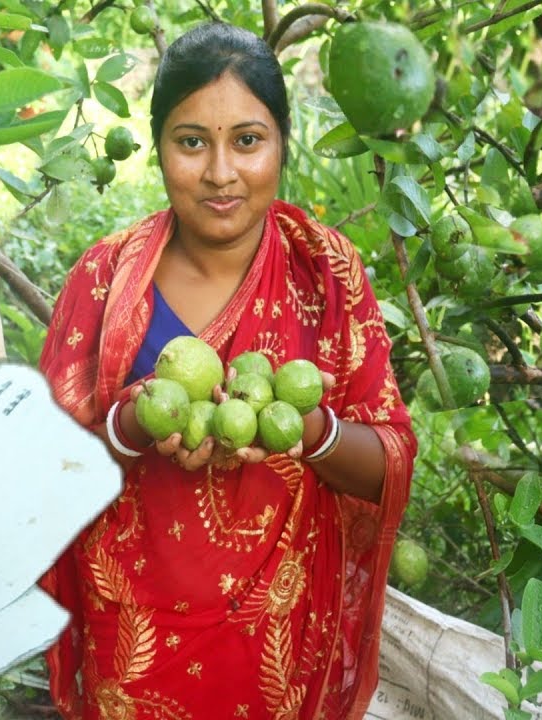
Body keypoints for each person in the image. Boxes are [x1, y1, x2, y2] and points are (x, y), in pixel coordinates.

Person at [39, 21, 416, 720]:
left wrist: (311, 432)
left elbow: (389, 461)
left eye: (247, 140)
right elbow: (47, 477)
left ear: (281, 144)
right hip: (134, 640)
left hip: (275, 647)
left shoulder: (325, 273)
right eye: (192, 142)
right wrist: (127, 426)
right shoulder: (105, 278)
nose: (220, 173)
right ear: (158, 149)